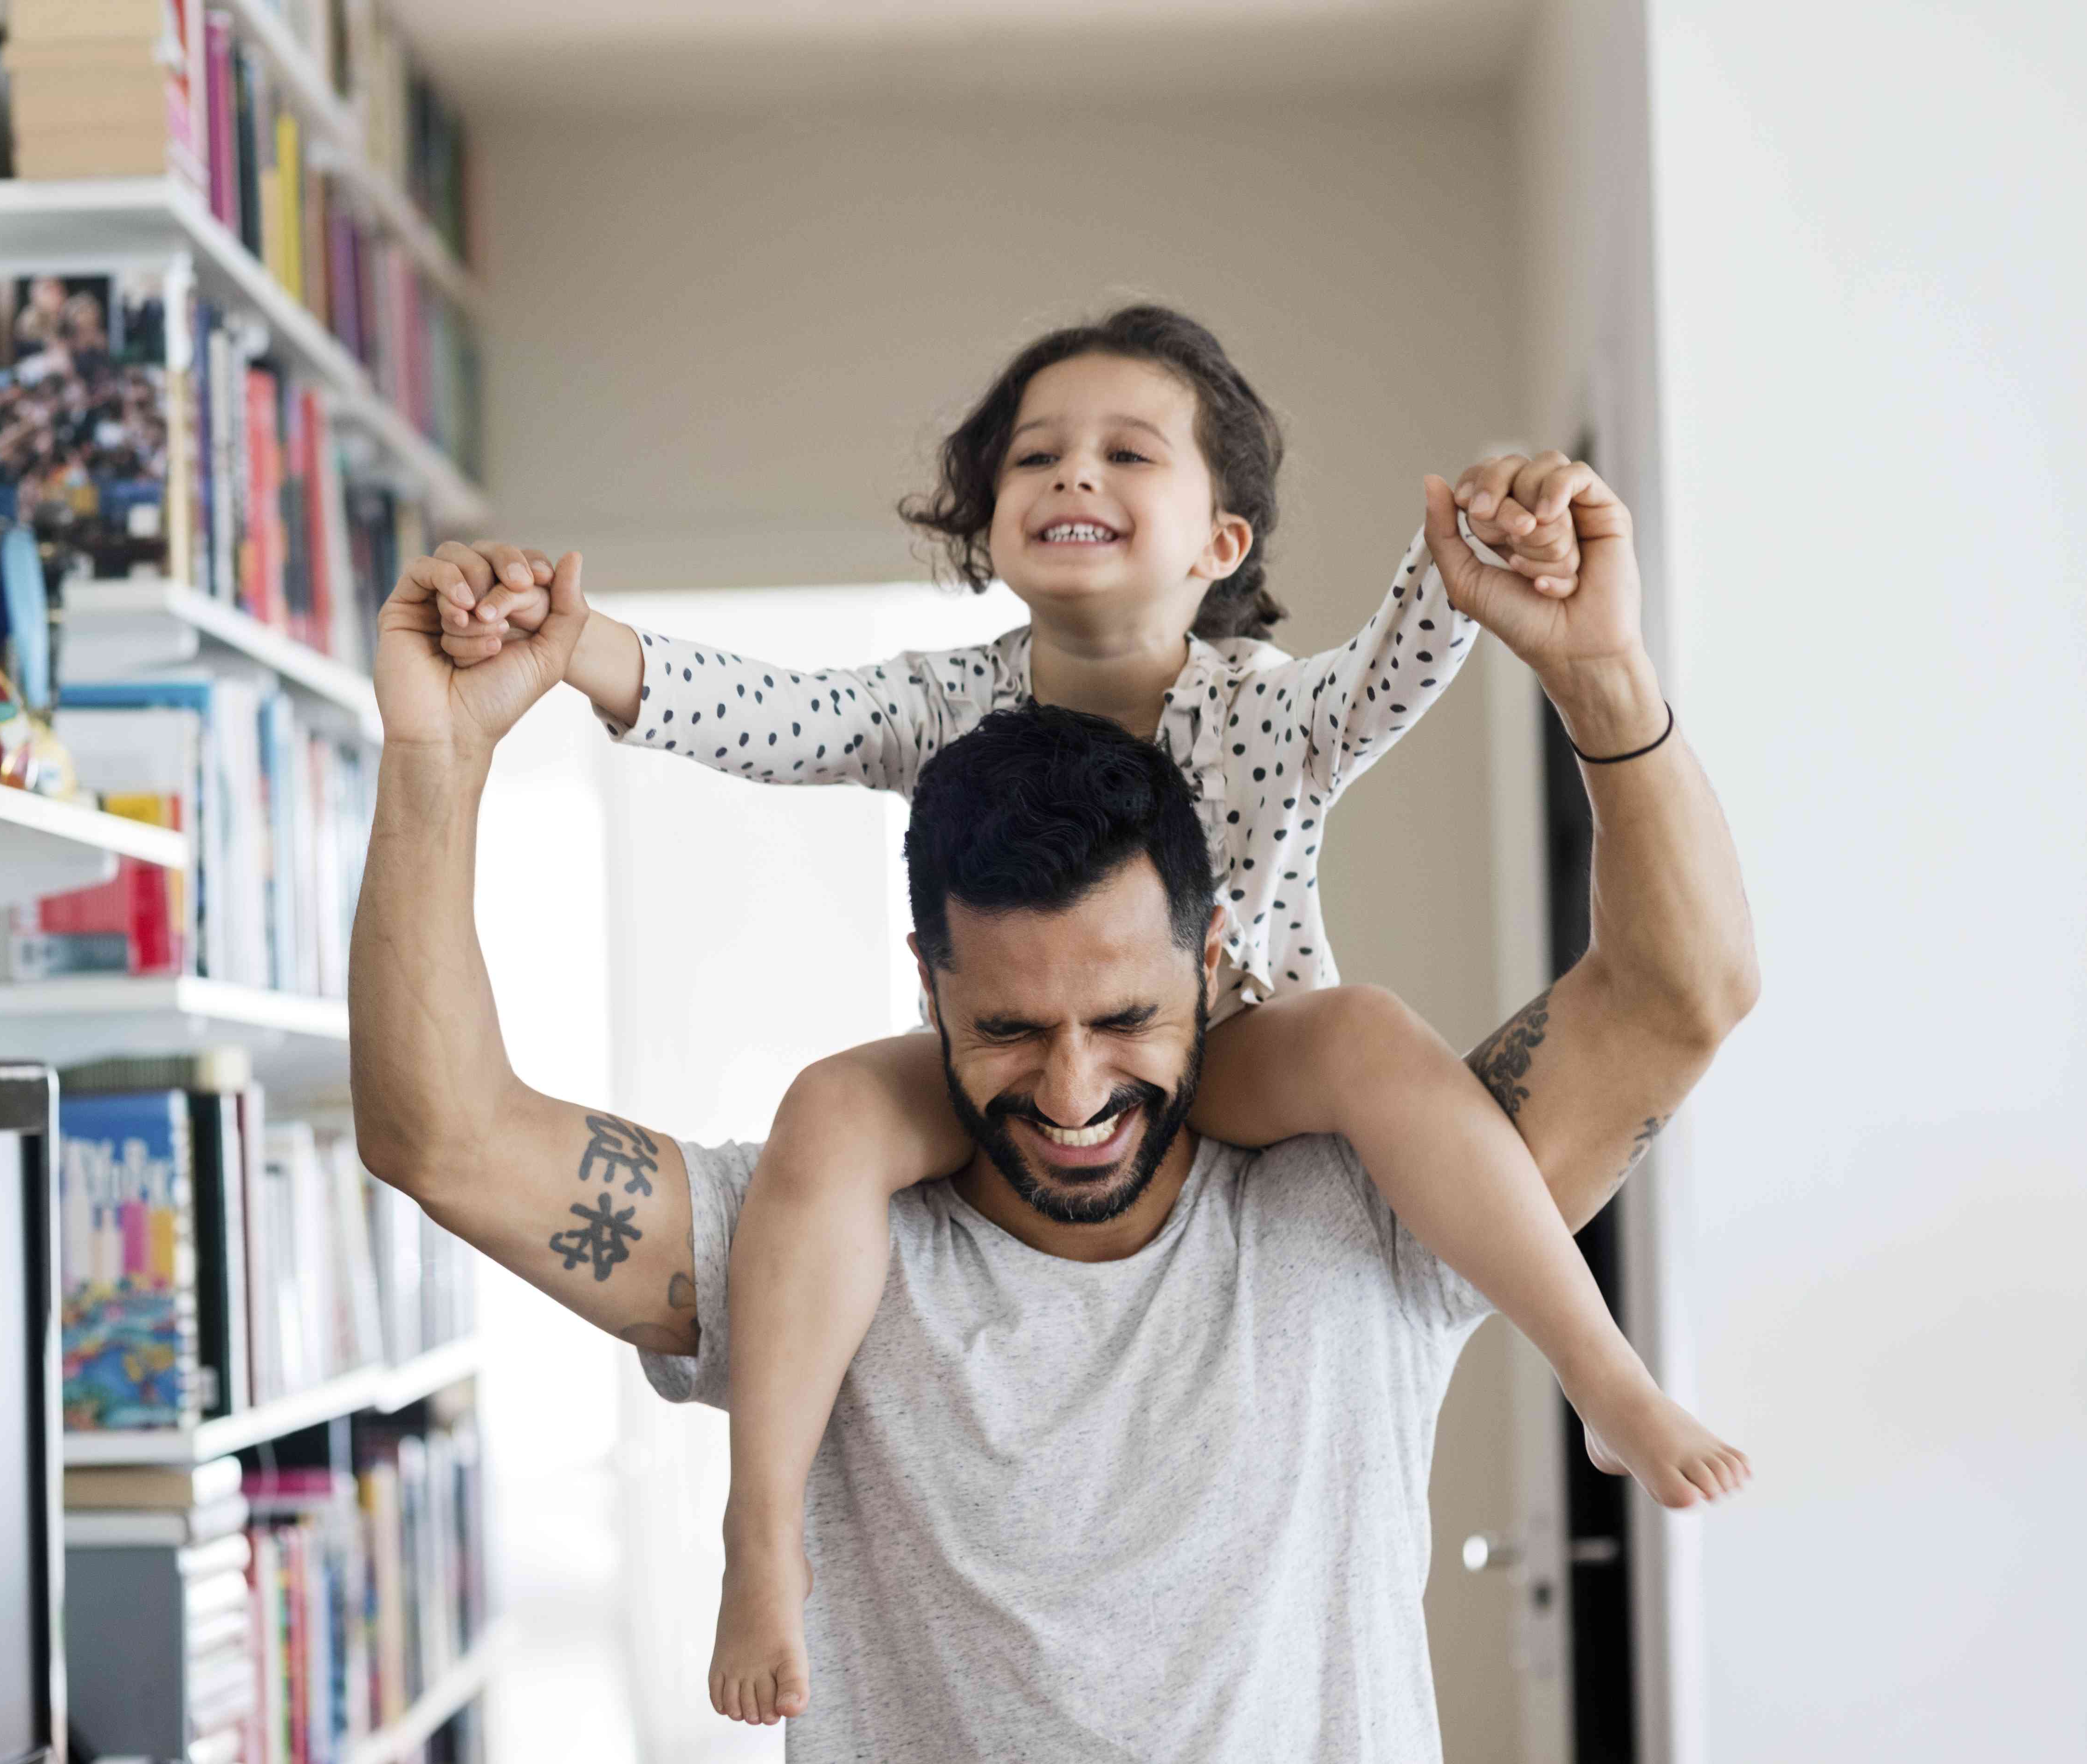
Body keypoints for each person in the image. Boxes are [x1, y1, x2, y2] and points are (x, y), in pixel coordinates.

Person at [398, 307, 1746, 1720]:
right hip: (1005, 1077)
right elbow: (765, 713)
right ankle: (756, 1529)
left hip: (1251, 1056)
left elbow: (1391, 684)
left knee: (1365, 1039)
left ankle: (1603, 1380)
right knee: (836, 1109)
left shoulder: (1260, 711)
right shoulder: (949, 706)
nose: (1073, 478)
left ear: (1220, 541)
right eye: (1035, 457)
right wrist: (573, 650)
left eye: (1124, 454)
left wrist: (1474, 564)